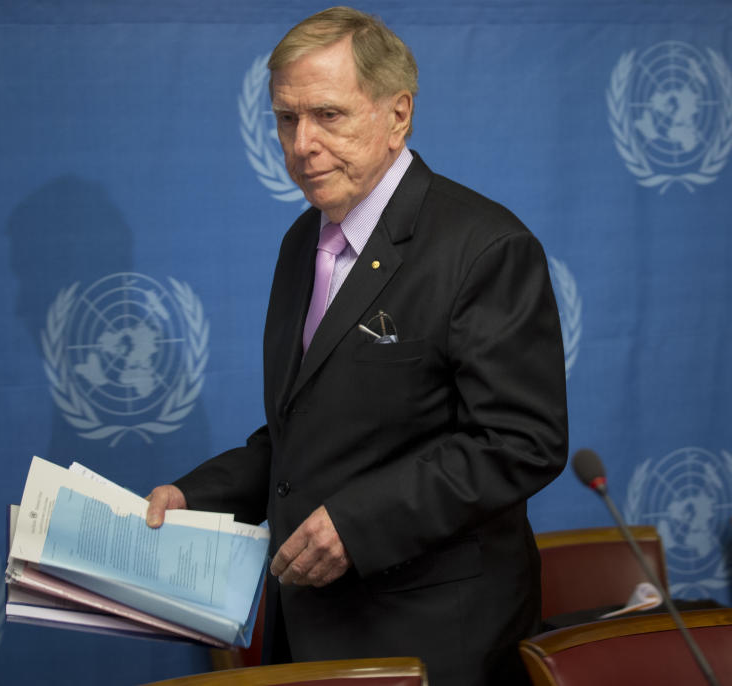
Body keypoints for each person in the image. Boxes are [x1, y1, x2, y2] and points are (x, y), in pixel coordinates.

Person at [146, 7, 568, 685]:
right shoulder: (299, 243)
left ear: (398, 114)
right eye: (287, 119)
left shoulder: (484, 247)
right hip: (309, 630)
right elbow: (307, 434)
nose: (301, 144)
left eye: (328, 115)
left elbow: (522, 442)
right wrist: (196, 496)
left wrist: (358, 524)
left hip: (434, 641)